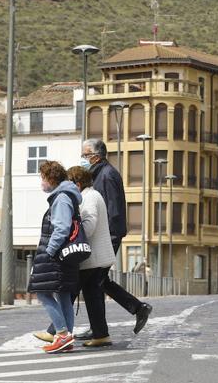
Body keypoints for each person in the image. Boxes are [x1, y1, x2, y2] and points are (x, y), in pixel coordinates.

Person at [80, 138, 152, 337]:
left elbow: (114, 211)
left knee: (94, 281)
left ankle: (102, 328)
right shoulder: (99, 174)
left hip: (108, 237)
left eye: (85, 155)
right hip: (106, 236)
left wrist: (107, 238)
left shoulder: (107, 175)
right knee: (97, 281)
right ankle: (132, 311)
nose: (82, 158)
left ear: (96, 156)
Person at [28, 161, 82, 354]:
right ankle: (66, 337)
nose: (41, 183)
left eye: (42, 178)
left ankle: (62, 334)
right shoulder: (68, 196)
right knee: (64, 295)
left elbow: (61, 229)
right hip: (65, 256)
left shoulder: (61, 198)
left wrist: (49, 252)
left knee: (43, 293)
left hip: (56, 255)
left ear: (51, 178)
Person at [67, 165, 116, 348]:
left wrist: (70, 234)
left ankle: (55, 331)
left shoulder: (89, 197)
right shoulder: (92, 195)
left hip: (91, 258)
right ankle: (101, 334)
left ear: (77, 184)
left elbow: (89, 225)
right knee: (93, 296)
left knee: (69, 292)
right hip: (96, 257)